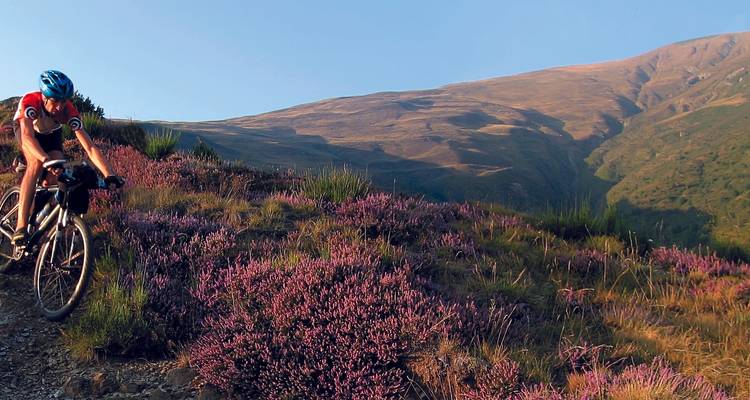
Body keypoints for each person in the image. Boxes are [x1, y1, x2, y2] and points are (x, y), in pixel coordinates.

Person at [11, 70, 124, 245]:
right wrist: (43, 159)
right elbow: (27, 137)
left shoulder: (68, 111)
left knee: (56, 172)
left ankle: (39, 210)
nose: (59, 107)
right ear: (45, 97)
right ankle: (21, 226)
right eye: (56, 101)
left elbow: (90, 146)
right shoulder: (31, 102)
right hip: (28, 130)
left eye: (64, 101)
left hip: (51, 134)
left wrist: (109, 174)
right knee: (35, 163)